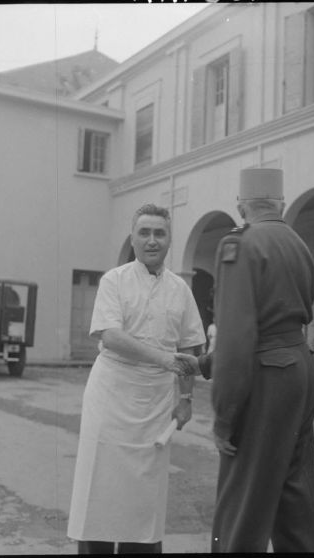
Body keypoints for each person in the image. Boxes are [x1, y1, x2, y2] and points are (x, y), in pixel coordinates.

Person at [67, 204, 206, 555]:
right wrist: (163, 359)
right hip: (111, 394)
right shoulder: (114, 280)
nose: (152, 240)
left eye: (159, 233)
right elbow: (110, 336)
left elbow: (190, 344)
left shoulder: (180, 289)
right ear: (133, 238)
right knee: (99, 491)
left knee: (144, 500)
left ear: (170, 239)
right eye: (144, 232)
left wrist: (186, 399)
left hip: (156, 402)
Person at [209, 168, 314, 552]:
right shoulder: (298, 242)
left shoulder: (240, 244)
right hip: (301, 369)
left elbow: (237, 338)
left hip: (266, 378)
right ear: (281, 204)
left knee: (242, 505)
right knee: (295, 500)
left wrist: (224, 418)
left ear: (241, 206)